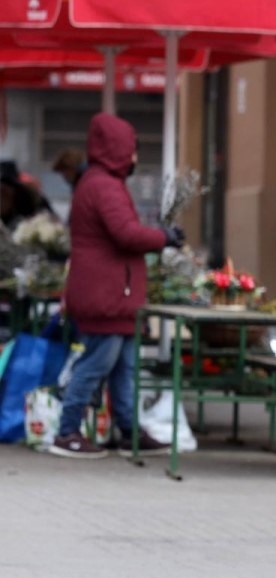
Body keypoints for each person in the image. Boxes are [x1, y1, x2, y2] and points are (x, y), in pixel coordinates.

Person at [50, 113, 185, 459]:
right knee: (96, 364)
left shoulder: (99, 182)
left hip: (114, 293)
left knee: (124, 367)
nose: (136, 157)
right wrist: (164, 237)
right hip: (106, 294)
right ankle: (67, 432)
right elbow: (124, 233)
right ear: (119, 149)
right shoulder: (104, 186)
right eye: (132, 149)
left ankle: (128, 430)